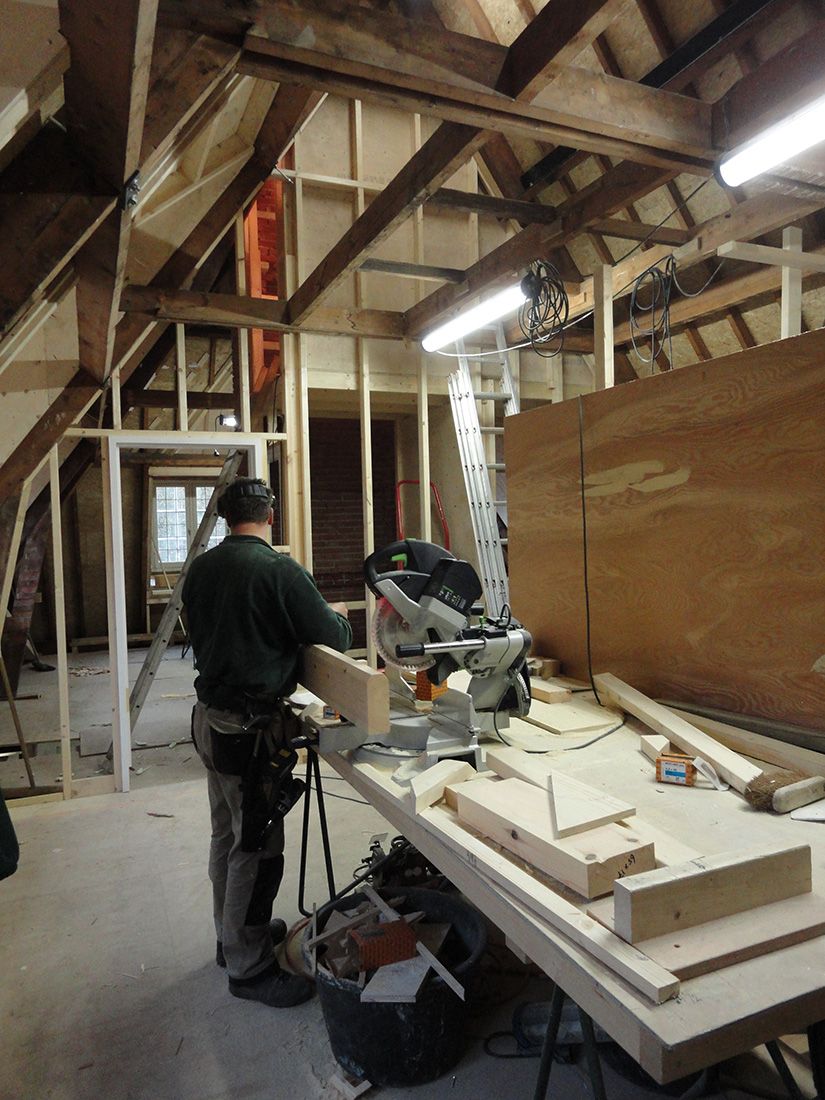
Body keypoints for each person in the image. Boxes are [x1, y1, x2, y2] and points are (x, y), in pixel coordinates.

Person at [182, 476, 352, 1008]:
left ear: (226, 518)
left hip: (209, 722)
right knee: (256, 849)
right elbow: (335, 637)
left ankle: (230, 936)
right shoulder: (278, 570)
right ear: (270, 516)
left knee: (226, 835)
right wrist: (333, 619)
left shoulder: (200, 568)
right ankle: (249, 968)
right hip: (249, 732)